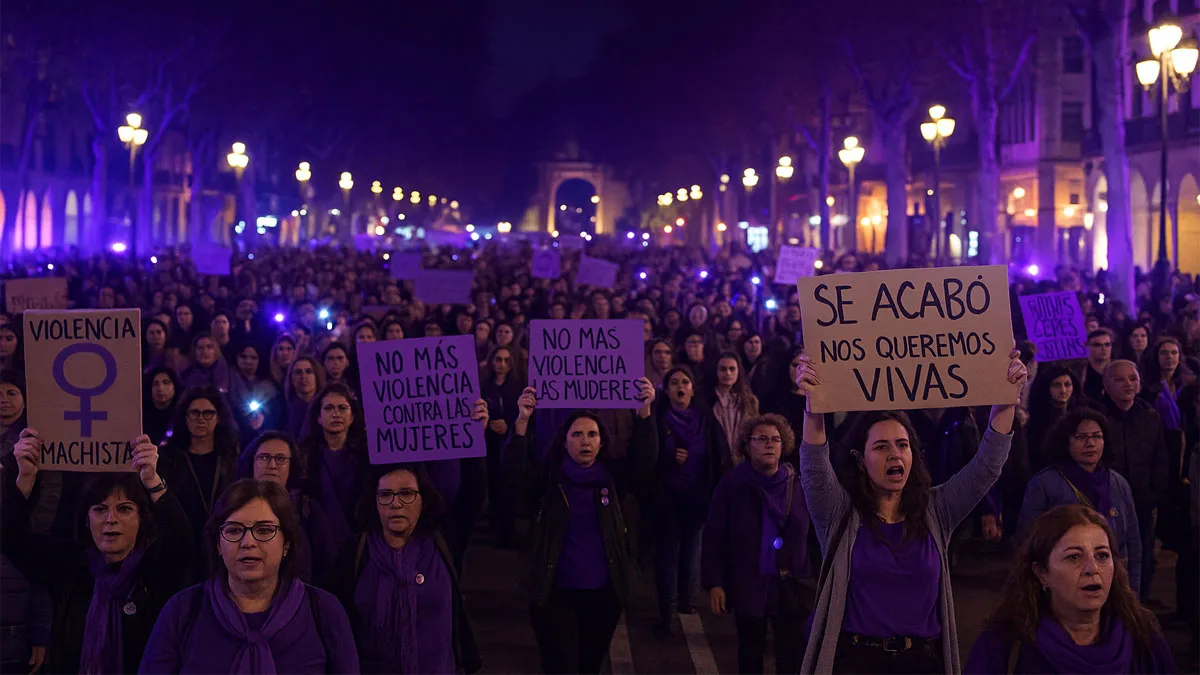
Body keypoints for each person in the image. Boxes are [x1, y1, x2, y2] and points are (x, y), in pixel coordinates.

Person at [793, 349, 1026, 674]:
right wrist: (812, 405)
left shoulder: (936, 510)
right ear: (861, 460)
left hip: (921, 662)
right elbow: (815, 464)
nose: (895, 455)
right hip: (858, 663)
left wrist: (1006, 397)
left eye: (903, 445)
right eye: (881, 446)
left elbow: (987, 465)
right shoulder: (838, 513)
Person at [2, 430, 194, 673]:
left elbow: (182, 543)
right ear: (86, 518)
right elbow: (15, 542)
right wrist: (26, 478)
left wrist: (153, 482)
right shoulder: (70, 567)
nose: (110, 520)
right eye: (99, 509)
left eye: (124, 509)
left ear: (141, 519)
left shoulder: (155, 570)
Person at [507, 379, 658, 674]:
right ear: (564, 440)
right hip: (554, 593)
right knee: (560, 666)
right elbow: (512, 480)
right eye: (577, 434)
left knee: (589, 664)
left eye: (592, 434)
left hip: (603, 593)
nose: (585, 440)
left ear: (602, 441)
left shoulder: (613, 478)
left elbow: (645, 461)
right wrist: (522, 422)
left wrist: (645, 412)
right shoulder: (548, 478)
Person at [138, 480, 360, 673]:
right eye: (234, 530)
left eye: (264, 530)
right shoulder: (182, 610)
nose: (248, 543)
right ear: (218, 544)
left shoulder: (324, 611)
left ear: (287, 544)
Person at [964, 505, 1175, 674]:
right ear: (1041, 572)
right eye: (1074, 557)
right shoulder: (1003, 647)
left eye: (1102, 555)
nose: (1092, 569)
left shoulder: (1144, 639)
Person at [332, 464, 482, 674]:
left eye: (406, 493)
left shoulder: (441, 546)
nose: (396, 504)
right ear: (374, 501)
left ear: (423, 499)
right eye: (385, 495)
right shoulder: (354, 553)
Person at [702, 414, 813, 674]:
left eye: (775, 439)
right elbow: (715, 534)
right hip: (749, 584)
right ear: (746, 445)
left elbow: (815, 535)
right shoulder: (732, 485)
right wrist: (715, 582)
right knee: (750, 653)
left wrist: (812, 573)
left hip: (790, 585)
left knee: (791, 655)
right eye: (761, 439)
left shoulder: (797, 486)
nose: (769, 445)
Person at [1016, 409, 1142, 591]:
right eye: (1081, 437)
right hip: (1064, 585)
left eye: (1097, 437)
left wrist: (1132, 592)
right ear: (1066, 441)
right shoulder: (1045, 484)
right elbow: (1027, 540)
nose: (1090, 443)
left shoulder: (1118, 483)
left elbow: (1133, 542)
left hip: (1113, 582)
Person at [654, 365, 729, 634]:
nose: (680, 387)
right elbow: (645, 455)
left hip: (697, 496)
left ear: (693, 388)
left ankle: (688, 600)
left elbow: (719, 455)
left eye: (685, 382)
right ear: (666, 389)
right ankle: (668, 612)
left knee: (692, 551)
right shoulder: (657, 417)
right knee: (669, 554)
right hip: (666, 499)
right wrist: (667, 458)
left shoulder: (705, 418)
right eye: (674, 382)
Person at [1100, 360, 1168, 600]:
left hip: (1142, 502)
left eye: (1133, 378)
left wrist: (1153, 494)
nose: (1128, 384)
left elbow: (1160, 459)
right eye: (1119, 379)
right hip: (1104, 504)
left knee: (1143, 560)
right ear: (1106, 385)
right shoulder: (1096, 416)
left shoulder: (1150, 416)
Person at [235, 432, 336, 584]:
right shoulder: (233, 506)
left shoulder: (307, 509)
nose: (272, 465)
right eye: (264, 458)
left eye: (280, 459)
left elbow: (327, 563)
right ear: (252, 463)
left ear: (291, 466)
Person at [157, 386, 241, 550]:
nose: (201, 419)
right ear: (185, 417)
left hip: (222, 541)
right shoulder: (168, 458)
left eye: (208, 413)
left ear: (218, 418)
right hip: (178, 540)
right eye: (194, 413)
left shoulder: (230, 458)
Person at [300, 383, 370, 546]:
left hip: (359, 538)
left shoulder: (367, 457)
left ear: (352, 417)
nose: (336, 414)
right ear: (318, 417)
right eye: (329, 408)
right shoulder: (305, 457)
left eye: (342, 408)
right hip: (318, 541)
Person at [1025, 365, 1084, 474]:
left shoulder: (1082, 415)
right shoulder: (1036, 423)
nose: (1063, 390)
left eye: (1067, 385)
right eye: (1056, 385)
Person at [710, 352, 761, 466]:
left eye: (732, 369)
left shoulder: (749, 401)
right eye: (723, 369)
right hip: (716, 460)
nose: (728, 373)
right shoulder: (708, 401)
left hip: (743, 460)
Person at [282, 356, 325, 440]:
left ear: (316, 376)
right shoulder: (282, 409)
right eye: (298, 372)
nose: (303, 377)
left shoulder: (326, 406)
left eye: (309, 372)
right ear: (291, 378)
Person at [143, 367, 183, 446]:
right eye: (155, 384)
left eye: (166, 382)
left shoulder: (182, 414)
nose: (160, 388)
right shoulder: (142, 415)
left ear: (175, 386)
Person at [1079, 329, 1114, 403]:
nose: (1104, 348)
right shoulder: (1079, 371)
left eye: (1107, 344)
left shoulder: (1120, 369)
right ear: (1087, 346)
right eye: (1097, 345)